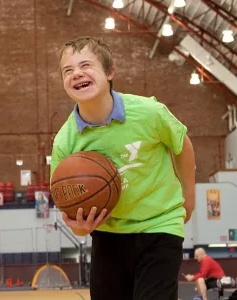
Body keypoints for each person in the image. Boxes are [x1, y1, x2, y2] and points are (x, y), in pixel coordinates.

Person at [50, 36, 195, 300]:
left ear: (110, 72)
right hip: (108, 234)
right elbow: (65, 202)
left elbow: (182, 145)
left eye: (86, 65)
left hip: (160, 225)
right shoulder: (65, 141)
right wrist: (80, 227)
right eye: (67, 70)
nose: (77, 73)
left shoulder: (149, 112)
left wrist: (189, 198)